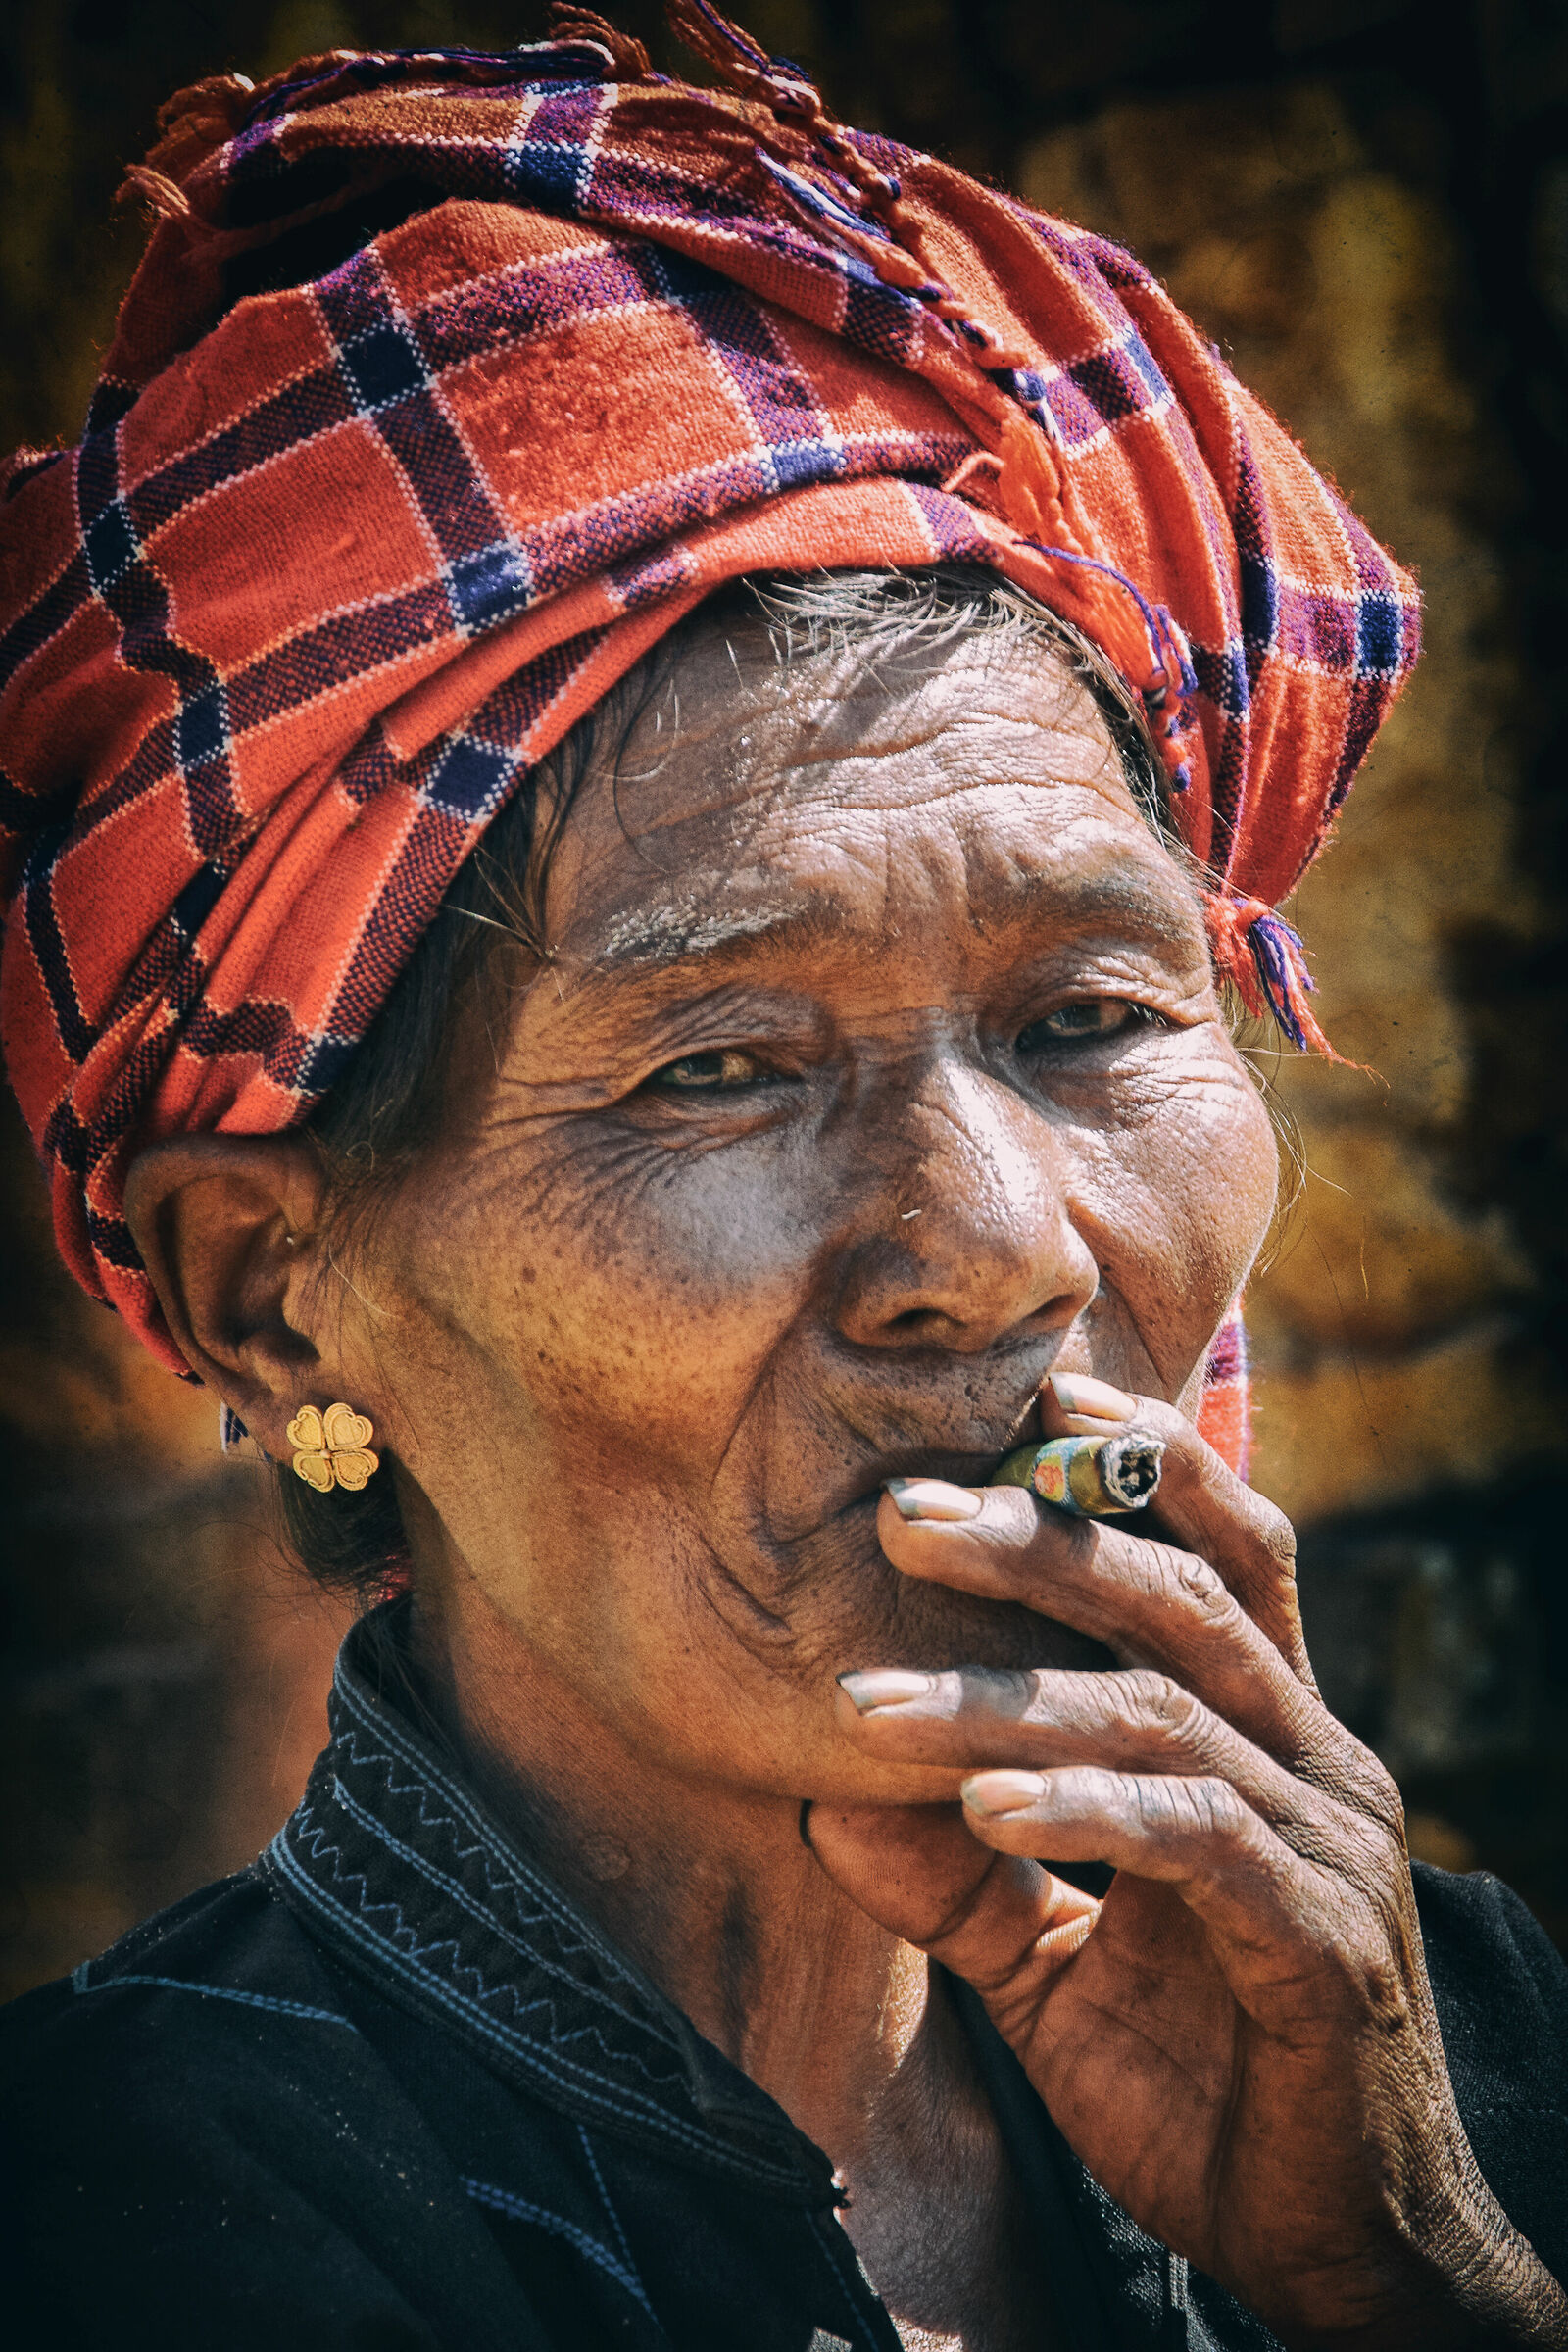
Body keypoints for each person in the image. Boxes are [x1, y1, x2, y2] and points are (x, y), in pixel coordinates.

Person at [1, 8, 1563, 2346]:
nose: (997, 1248)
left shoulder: (1457, 2059)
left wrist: (1396, 2285)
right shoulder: (117, 2229)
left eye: (1090, 1022)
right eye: (719, 1068)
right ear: (269, 1285)